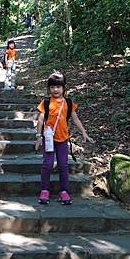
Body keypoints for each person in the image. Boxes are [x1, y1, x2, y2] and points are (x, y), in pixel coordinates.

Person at [35, 70, 94, 205]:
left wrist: (84, 132)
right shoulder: (46, 102)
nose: (55, 89)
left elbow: (75, 119)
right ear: (49, 88)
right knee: (47, 164)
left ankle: (64, 191)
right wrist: (39, 136)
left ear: (64, 87)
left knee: (63, 165)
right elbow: (40, 119)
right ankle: (44, 190)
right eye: (52, 87)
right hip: (49, 139)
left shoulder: (68, 102)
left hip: (63, 139)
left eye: (58, 86)